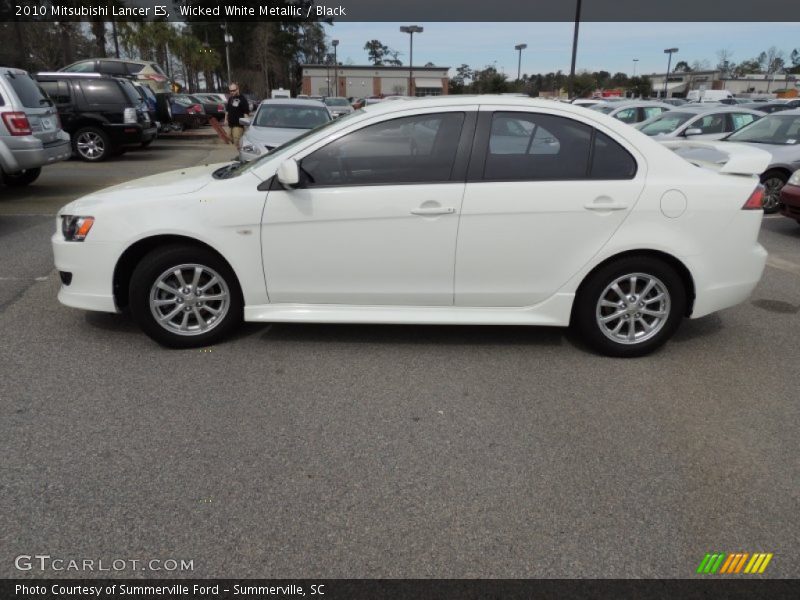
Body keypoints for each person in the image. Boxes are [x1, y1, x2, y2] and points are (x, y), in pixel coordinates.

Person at [225, 83, 250, 150]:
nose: (232, 92)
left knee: (237, 142)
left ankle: (241, 155)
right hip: (231, 124)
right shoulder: (231, 98)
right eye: (230, 91)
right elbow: (227, 110)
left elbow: (246, 113)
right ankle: (240, 151)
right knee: (229, 138)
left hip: (238, 125)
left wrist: (246, 125)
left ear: (237, 89)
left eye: (233, 90)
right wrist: (225, 119)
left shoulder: (242, 99)